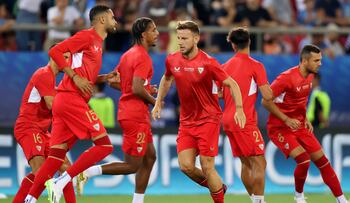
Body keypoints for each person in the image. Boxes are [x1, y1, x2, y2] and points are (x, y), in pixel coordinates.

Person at [23, 5, 117, 203]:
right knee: (105, 145)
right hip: (71, 99)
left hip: (65, 101)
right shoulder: (88, 36)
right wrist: (74, 76)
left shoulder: (97, 43)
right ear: (102, 20)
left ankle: (29, 199)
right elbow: (56, 51)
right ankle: (64, 180)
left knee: (56, 156)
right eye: (112, 17)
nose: (115, 20)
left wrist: (102, 78)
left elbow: (85, 75)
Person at [151, 20, 246, 203]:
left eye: (185, 38)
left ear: (196, 38)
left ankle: (218, 197)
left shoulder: (208, 62)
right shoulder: (172, 59)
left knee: (207, 166)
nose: (181, 42)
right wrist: (158, 102)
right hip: (187, 121)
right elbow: (166, 78)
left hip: (208, 118)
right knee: (186, 166)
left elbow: (231, 84)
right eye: (178, 38)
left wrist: (239, 109)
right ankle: (218, 188)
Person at [78, 17, 159, 203]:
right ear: (144, 34)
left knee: (150, 157)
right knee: (132, 165)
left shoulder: (128, 54)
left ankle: (137, 201)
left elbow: (114, 81)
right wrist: (155, 101)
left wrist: (145, 89)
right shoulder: (143, 57)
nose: (157, 33)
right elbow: (137, 89)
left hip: (132, 113)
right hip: (135, 115)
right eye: (153, 30)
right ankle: (87, 172)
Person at [262, 44, 350, 203]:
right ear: (304, 61)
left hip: (300, 126)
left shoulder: (310, 76)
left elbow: (301, 102)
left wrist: (306, 119)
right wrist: (287, 119)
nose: (320, 63)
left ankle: (341, 199)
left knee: (323, 161)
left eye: (320, 60)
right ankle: (299, 197)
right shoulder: (285, 78)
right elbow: (265, 101)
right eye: (316, 60)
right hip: (280, 128)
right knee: (303, 159)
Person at [13, 52, 75, 203]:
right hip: (28, 127)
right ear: (55, 58)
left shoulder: (52, 79)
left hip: (41, 131)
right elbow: (52, 105)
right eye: (65, 57)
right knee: (41, 171)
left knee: (66, 168)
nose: (69, 61)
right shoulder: (44, 74)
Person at [221, 27, 272, 203]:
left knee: (246, 163)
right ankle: (259, 201)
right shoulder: (256, 66)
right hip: (244, 119)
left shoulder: (224, 67)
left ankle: (255, 200)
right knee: (259, 163)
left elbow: (219, 94)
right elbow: (267, 95)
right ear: (249, 41)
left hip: (227, 120)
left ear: (233, 45)